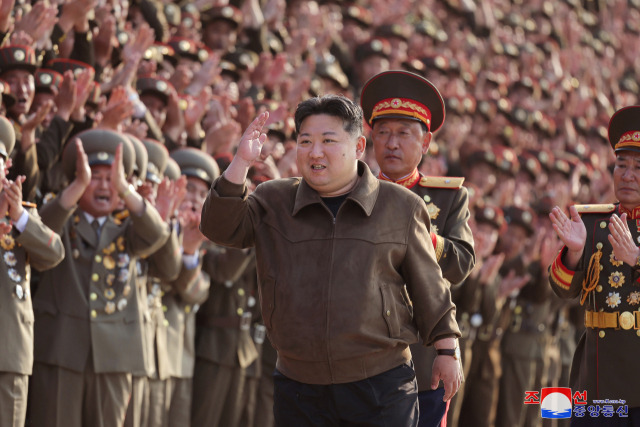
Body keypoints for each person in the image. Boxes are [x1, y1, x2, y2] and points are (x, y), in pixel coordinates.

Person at [199, 95, 462, 426]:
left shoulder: (400, 206)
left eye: (328, 141)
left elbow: (431, 287)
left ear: (358, 147)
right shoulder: (274, 200)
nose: (315, 152)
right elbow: (218, 228)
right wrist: (240, 162)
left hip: (380, 380)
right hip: (300, 386)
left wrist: (447, 351)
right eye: (305, 141)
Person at [29, 129, 170, 427]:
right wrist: (77, 187)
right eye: (95, 177)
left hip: (115, 357)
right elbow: (37, 234)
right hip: (61, 351)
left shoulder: (127, 227)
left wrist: (126, 189)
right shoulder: (63, 217)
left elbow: (158, 236)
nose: (104, 185)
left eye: (112, 178)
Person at [360, 69, 475, 427]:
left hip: (424, 355)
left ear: (425, 144)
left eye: (404, 134)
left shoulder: (447, 196)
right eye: (383, 133)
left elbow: (461, 264)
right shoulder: (352, 194)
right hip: (360, 351)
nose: (392, 143)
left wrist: (425, 236)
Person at [548, 105, 640, 424]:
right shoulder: (594, 222)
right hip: (600, 379)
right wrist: (573, 253)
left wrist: (636, 260)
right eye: (621, 165)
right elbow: (563, 291)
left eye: (638, 167)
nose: (628, 175)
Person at [0, 115, 65, 427]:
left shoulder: (22, 216)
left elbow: (53, 254)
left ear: (6, 170)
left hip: (11, 355)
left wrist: (18, 218)